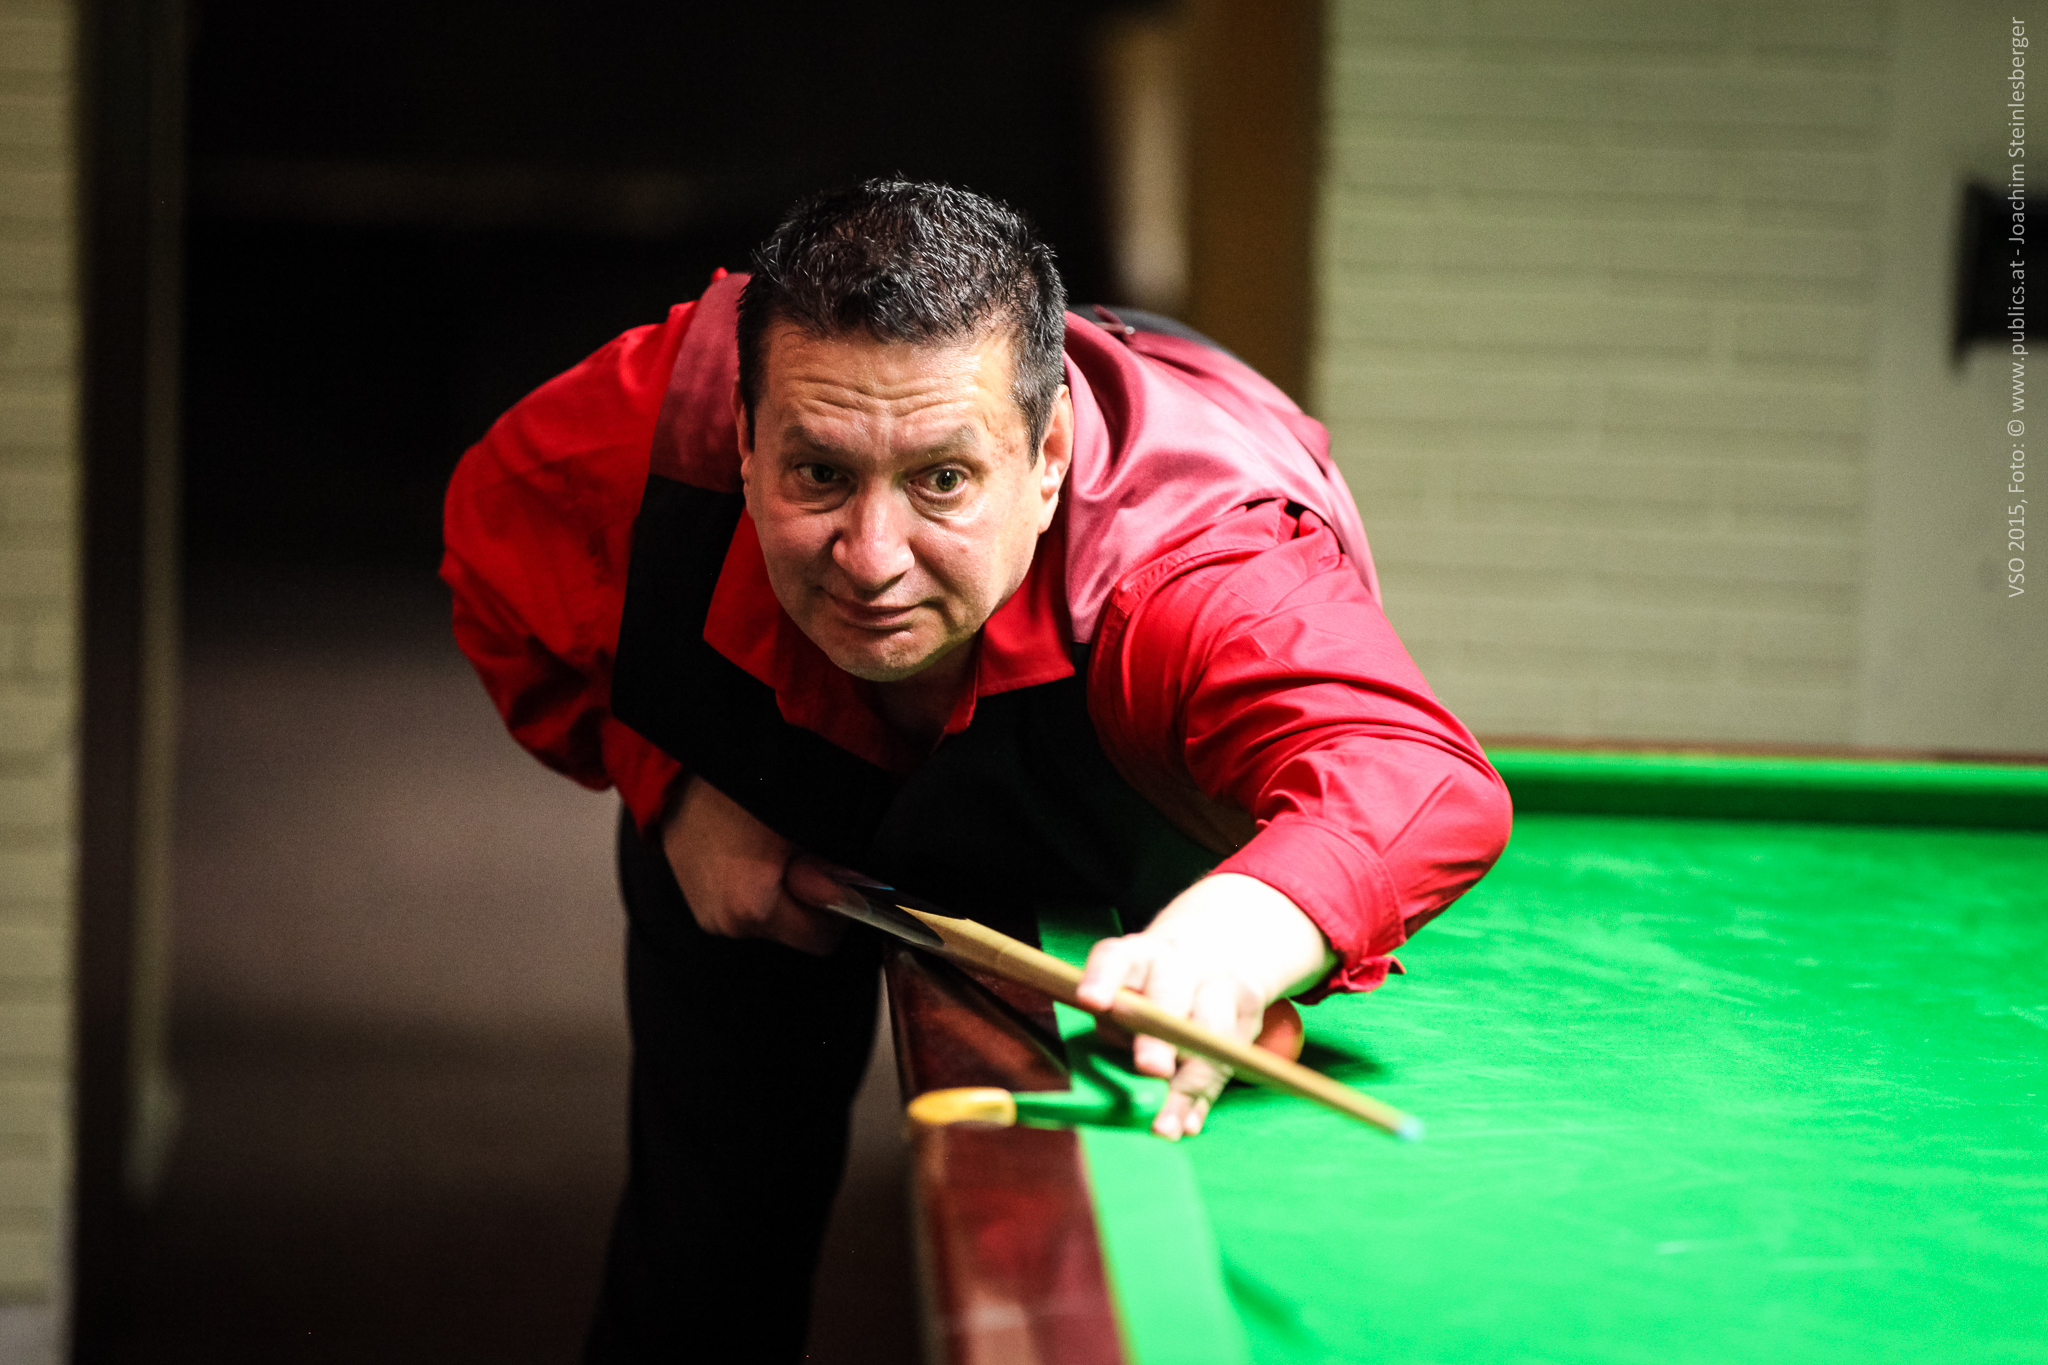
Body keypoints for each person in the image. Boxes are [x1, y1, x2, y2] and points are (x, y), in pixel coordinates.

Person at [442, 179, 1511, 1362]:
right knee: (706, 1236)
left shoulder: (1189, 576)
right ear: (743, 437)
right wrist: (673, 781)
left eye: (941, 479)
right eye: (818, 474)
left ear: (1047, 456)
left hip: (1108, 796)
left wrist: (1231, 937)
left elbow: (1412, 771)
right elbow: (494, 560)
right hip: (760, 753)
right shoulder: (643, 426)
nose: (871, 560)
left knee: (1071, 1260)